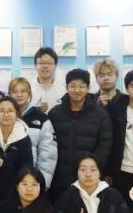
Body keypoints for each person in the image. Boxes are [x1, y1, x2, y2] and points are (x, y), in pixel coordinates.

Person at [47, 69, 112, 200]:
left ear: (88, 88)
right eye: (73, 86)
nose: (77, 90)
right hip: (58, 177)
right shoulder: (55, 113)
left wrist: (91, 170)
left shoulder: (100, 114)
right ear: (66, 87)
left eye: (82, 86)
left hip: (88, 177)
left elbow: (105, 145)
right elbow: (48, 145)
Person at [0, 97, 34, 212]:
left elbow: (27, 164)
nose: (6, 114)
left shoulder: (24, 137)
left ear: (16, 113)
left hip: (14, 191)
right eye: (1, 111)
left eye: (10, 110)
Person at [5, 77, 57, 189]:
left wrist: (42, 182)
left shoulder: (41, 118)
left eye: (23, 91)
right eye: (15, 91)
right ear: (9, 94)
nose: (19, 95)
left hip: (31, 181)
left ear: (29, 94)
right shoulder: (1, 116)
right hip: (5, 179)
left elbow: (48, 154)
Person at [29, 47, 63, 113]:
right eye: (41, 63)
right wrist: (35, 109)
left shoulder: (63, 89)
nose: (45, 66)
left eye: (49, 63)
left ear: (55, 66)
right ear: (35, 66)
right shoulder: (28, 88)